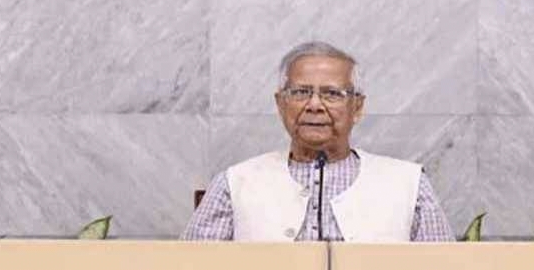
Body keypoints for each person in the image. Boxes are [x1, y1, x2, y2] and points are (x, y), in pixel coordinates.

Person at [182, 41, 453, 242]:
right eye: (300, 92)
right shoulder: (234, 184)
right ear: (280, 104)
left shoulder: (410, 184)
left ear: (357, 107)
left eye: (332, 94)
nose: (314, 105)